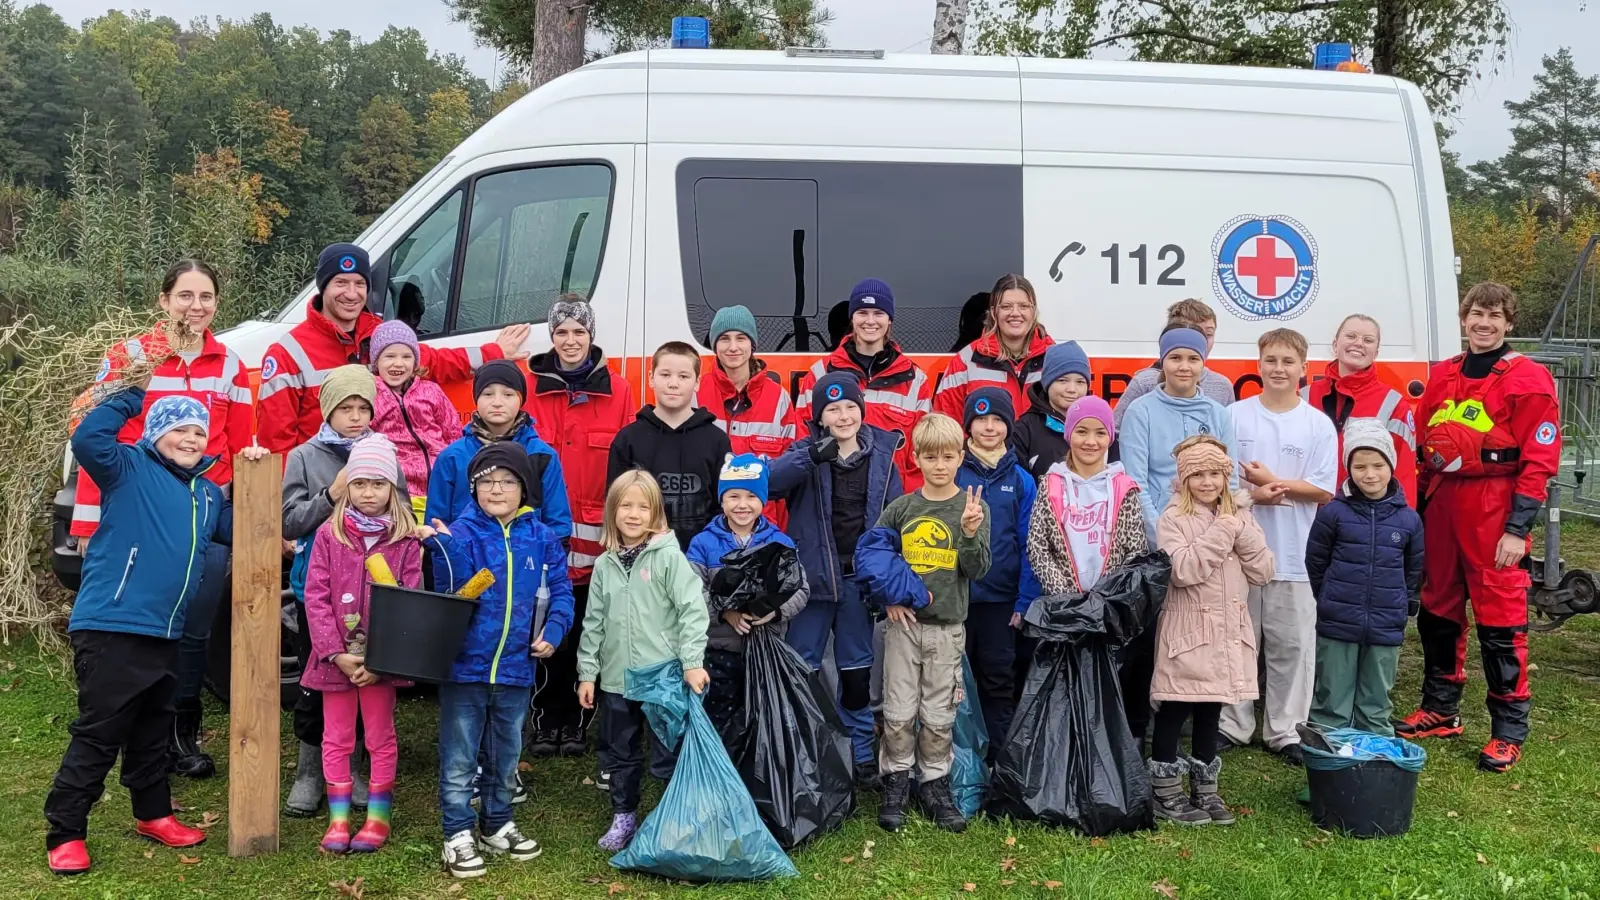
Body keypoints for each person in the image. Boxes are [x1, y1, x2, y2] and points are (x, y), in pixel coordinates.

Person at [45, 388, 265, 875]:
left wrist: (253, 471)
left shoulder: (207, 493)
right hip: (112, 625)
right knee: (100, 733)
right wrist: (134, 396)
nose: (190, 439)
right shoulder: (126, 467)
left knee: (153, 730)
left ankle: (153, 813)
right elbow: (87, 438)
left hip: (168, 632)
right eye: (179, 429)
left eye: (198, 432)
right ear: (155, 433)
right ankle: (65, 831)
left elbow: (253, 525)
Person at [69, 259, 254, 780]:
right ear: (163, 300)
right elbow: (96, 443)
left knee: (192, 626)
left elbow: (241, 445)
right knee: (129, 624)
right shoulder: (130, 357)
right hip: (138, 513)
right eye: (185, 296)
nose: (196, 307)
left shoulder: (230, 365)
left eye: (206, 297)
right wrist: (87, 524)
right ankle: (109, 717)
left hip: (201, 511)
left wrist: (235, 509)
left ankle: (179, 732)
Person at [1399, 282, 1560, 773]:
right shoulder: (1443, 375)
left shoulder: (1527, 379)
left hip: (1495, 509)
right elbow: (1426, 449)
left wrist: (1517, 527)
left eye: (1494, 315)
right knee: (1437, 611)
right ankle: (1441, 709)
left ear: (1509, 323)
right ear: (1463, 319)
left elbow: (1538, 460)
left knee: (1501, 622)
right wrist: (1421, 515)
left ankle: (1508, 730)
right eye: (1475, 314)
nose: (1483, 323)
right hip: (1444, 505)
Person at [429, 443, 575, 878]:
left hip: (515, 669)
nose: (497, 489)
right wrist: (441, 546)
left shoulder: (541, 536)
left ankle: (496, 822)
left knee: (507, 751)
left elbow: (563, 593)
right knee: (460, 756)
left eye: (507, 481)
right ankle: (457, 832)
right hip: (464, 668)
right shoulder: (461, 533)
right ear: (473, 488)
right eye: (486, 481)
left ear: (523, 489)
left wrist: (552, 633)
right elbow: (448, 592)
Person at [257, 242, 529, 454]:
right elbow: (276, 444)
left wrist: (493, 354)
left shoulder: (380, 334)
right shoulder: (287, 354)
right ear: (323, 288)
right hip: (321, 488)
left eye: (359, 284)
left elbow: (433, 362)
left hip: (380, 485)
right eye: (340, 283)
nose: (351, 294)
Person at [859, 413, 990, 834]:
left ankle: (934, 783)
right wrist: (888, 597)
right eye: (930, 457)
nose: (939, 465)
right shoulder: (902, 508)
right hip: (904, 629)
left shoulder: (971, 507)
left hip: (947, 628)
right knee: (897, 711)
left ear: (961, 456)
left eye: (948, 456)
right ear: (915, 458)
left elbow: (978, 569)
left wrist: (970, 532)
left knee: (938, 713)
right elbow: (873, 559)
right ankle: (895, 782)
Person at [770, 371, 905, 781]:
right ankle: (805, 745)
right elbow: (769, 484)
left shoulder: (883, 453)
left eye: (850, 407)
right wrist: (811, 454)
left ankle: (861, 751)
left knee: (857, 672)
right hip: (811, 582)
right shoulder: (805, 452)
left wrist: (888, 577)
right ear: (819, 417)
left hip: (856, 583)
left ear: (861, 410)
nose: (843, 416)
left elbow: (896, 519)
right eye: (832, 409)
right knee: (803, 667)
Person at [282, 366, 399, 818]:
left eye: (362, 408)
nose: (354, 417)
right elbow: (289, 521)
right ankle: (310, 771)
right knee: (320, 680)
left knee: (370, 675)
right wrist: (331, 494)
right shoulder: (304, 457)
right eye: (345, 408)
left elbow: (402, 510)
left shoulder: (383, 451)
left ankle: (355, 767)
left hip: (375, 591)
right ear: (328, 410)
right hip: (320, 589)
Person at [576, 470, 711, 853]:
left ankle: (674, 817)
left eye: (643, 506)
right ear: (612, 512)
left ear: (656, 513)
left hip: (662, 676)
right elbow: (594, 622)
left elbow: (692, 611)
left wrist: (691, 662)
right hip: (617, 678)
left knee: (667, 750)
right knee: (621, 751)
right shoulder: (604, 565)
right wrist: (588, 672)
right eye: (625, 505)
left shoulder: (669, 558)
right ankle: (624, 816)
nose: (634, 514)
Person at [525, 298, 636, 760]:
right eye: (562, 333)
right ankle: (544, 718)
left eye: (578, 332)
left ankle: (576, 720)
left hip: (596, 529)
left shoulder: (620, 390)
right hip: (543, 528)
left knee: (590, 623)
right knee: (546, 625)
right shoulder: (531, 387)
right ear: (551, 337)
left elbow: (629, 462)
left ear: (592, 336)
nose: (570, 341)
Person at [1219, 329, 1337, 765]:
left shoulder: (1316, 425)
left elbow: (1323, 489)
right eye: (1271, 360)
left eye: (1288, 361)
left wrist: (1273, 484)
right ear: (1259, 363)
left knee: (1292, 645)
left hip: (1295, 554)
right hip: (1238, 553)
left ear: (1304, 368)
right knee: (1238, 641)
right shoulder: (1233, 417)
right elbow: (1219, 481)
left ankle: (1286, 730)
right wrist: (1256, 493)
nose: (1278, 369)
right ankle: (1233, 723)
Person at [299, 435, 420, 854]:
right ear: (346, 486)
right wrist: (336, 652)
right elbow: (315, 598)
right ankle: (338, 820)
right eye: (360, 484)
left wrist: (378, 658)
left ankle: (377, 819)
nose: (369, 493)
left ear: (393, 488)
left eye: (379, 484)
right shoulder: (329, 536)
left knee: (380, 736)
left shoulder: (406, 542)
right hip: (336, 661)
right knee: (336, 737)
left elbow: (408, 602)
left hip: (380, 663)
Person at [1149, 436, 1275, 826]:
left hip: (1227, 632)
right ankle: (1164, 792)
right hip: (1189, 631)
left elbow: (1263, 570)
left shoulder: (1238, 516)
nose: (1207, 482)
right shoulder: (1173, 519)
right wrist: (1224, 528)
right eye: (1198, 474)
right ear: (1185, 480)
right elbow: (1183, 570)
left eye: (1215, 474)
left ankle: (1205, 788)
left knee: (1211, 707)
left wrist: (1239, 525)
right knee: (1176, 705)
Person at [1019, 396, 1152, 750]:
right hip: (1067, 612)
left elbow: (1134, 548)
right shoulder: (1052, 484)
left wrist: (1103, 601)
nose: (1090, 441)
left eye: (1099, 432)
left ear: (1110, 437)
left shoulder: (1124, 487)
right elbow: (1038, 544)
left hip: (1107, 613)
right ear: (1068, 435)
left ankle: (1110, 755)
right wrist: (1070, 599)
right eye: (1081, 431)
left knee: (1109, 689)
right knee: (1066, 690)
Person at [1304, 419, 1424, 737]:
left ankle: (1374, 756)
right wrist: (1328, 597)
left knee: (1376, 697)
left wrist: (1402, 601)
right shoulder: (1333, 513)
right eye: (1360, 467)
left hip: (1386, 621)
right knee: (1332, 693)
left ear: (1391, 465)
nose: (1369, 475)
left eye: (1377, 465)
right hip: (1338, 619)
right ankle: (1328, 753)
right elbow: (1316, 562)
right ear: (1349, 469)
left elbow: (1414, 568)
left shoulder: (1408, 519)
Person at [686, 454, 810, 752]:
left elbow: (800, 588)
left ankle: (756, 777)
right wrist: (724, 612)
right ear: (722, 499)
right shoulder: (703, 543)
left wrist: (775, 612)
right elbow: (689, 591)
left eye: (752, 496)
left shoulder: (780, 542)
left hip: (766, 652)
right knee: (720, 714)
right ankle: (720, 774)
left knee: (761, 716)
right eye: (733, 496)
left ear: (764, 500)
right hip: (718, 650)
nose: (742, 504)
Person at [955, 387, 1037, 750]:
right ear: (968, 425)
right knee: (955, 680)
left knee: (998, 679)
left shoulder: (1021, 479)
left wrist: (1024, 601)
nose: (989, 428)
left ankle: (998, 759)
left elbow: (1030, 544)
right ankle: (960, 759)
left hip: (1002, 601)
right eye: (980, 420)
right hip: (957, 599)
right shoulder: (953, 473)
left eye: (998, 420)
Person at [795, 279, 933, 490]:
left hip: (890, 500)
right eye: (862, 312)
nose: (870, 321)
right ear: (852, 318)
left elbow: (922, 454)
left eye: (878, 313)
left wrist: (907, 507)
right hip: (835, 499)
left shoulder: (915, 380)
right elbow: (803, 442)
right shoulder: (820, 373)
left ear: (890, 320)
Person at [425, 361, 571, 546]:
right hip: (466, 565)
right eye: (487, 394)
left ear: (521, 399)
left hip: (524, 565)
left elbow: (558, 524)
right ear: (476, 399)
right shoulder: (452, 457)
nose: (497, 402)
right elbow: (436, 523)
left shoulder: (542, 456)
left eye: (508, 394)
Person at [607, 342, 733, 550]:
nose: (673, 384)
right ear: (651, 378)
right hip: (641, 557)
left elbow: (724, 505)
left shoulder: (716, 440)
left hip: (700, 560)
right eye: (665, 375)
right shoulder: (628, 439)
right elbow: (614, 504)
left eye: (683, 376)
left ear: (697, 382)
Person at [1119, 326, 1237, 543]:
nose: (1184, 367)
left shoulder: (1218, 414)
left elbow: (1232, 482)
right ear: (1162, 361)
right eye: (1175, 357)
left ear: (1203, 363)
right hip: (1158, 542)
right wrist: (1164, 539)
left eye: (1193, 358)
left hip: (1211, 540)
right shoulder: (1140, 411)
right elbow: (1135, 485)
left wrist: (1218, 537)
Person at [1304, 314, 1419, 507]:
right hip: (1307, 515)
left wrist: (1400, 526)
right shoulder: (1304, 397)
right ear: (1335, 345)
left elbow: (1404, 475)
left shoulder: (1394, 404)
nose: (1358, 343)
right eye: (1351, 336)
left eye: (1368, 340)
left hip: (1364, 519)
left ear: (1376, 352)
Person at [696, 305, 797, 525]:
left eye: (741, 338)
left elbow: (790, 466)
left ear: (752, 345)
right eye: (724, 339)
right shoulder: (696, 393)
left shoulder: (778, 398)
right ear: (714, 346)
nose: (733, 347)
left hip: (764, 526)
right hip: (708, 524)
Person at [934, 273, 1055, 423]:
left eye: (1024, 306)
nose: (1015, 313)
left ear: (1033, 311)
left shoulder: (1055, 359)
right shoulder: (966, 360)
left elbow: (1076, 421)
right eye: (1006, 306)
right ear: (993, 312)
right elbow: (946, 427)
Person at [367, 320, 458, 518]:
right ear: (376, 361)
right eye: (389, 356)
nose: (398, 363)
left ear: (415, 362)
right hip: (399, 490)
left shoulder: (430, 390)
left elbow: (453, 432)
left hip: (441, 483)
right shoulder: (371, 395)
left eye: (406, 356)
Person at [1113, 299, 1235, 431]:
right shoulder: (1144, 383)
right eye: (1195, 333)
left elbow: (1228, 435)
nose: (1202, 341)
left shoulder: (1222, 386)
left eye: (1209, 334)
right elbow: (1116, 432)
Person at [1011, 340, 1092, 479]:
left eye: (1080, 382)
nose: (1072, 389)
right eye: (1062, 380)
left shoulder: (1100, 426)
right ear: (1047, 383)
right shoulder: (1024, 431)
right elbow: (1019, 487)